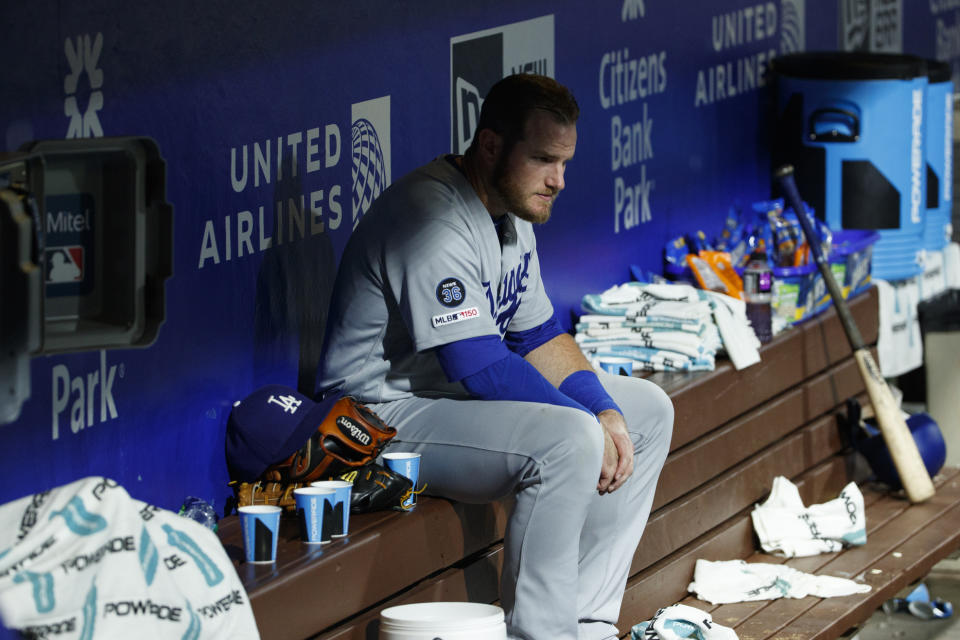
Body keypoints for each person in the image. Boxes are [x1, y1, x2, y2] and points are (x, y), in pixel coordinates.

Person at [318, 74, 673, 640]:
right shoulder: (431, 216)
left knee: (647, 411)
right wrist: (585, 424)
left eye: (565, 162)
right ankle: (542, 634)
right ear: (490, 146)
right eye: (543, 160)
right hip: (378, 419)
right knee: (569, 440)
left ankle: (587, 620)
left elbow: (538, 338)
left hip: (445, 401)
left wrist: (603, 410)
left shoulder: (512, 209)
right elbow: (476, 363)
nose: (558, 180)